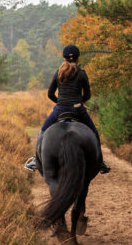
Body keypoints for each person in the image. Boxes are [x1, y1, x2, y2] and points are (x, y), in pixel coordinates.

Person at [23, 44, 112, 174]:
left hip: (60, 109)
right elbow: (87, 95)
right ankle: (100, 162)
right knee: (94, 132)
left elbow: (50, 94)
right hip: (78, 110)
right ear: (78, 58)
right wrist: (79, 103)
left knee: (42, 131)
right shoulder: (82, 73)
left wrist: (60, 103)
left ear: (64, 58)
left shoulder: (59, 72)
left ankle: (36, 160)